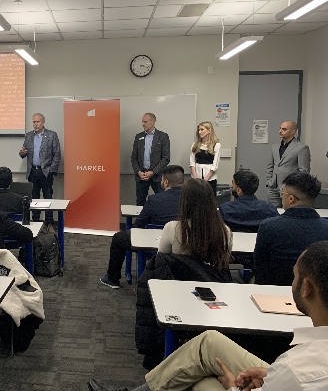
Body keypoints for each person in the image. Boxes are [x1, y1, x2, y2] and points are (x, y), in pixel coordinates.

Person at [88, 240, 328, 391]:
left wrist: (233, 387)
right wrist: (270, 376)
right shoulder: (295, 366)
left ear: (307, 288)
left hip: (290, 379)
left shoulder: (294, 368)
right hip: (285, 378)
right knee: (209, 342)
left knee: (201, 381)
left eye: (294, 275)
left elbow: (293, 378)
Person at [136, 178, 233, 369]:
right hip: (211, 296)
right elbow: (224, 264)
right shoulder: (225, 232)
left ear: (185, 201)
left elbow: (159, 262)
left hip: (176, 297)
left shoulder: (173, 229)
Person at [100, 165, 184, 289]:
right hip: (183, 246)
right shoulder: (193, 199)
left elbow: (138, 226)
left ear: (166, 182)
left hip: (154, 247)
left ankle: (113, 279)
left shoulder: (154, 200)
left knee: (119, 238)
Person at [254, 172, 328, 286]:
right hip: (314, 295)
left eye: (282, 193)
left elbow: (260, 266)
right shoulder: (325, 227)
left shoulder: (269, 226)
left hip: (273, 292)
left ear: (291, 198)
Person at [19, 113, 61, 223]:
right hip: (33, 171)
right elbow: (23, 153)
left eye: (37, 122)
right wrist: (22, 153)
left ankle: (49, 222)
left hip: (46, 172)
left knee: (48, 197)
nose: (35, 124)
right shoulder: (29, 136)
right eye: (34, 122)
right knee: (34, 198)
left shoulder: (52, 135)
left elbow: (57, 155)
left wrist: (52, 171)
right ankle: (36, 220)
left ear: (43, 122)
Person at [266, 120, 310, 207]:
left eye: (284, 129)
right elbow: (270, 166)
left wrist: (295, 187)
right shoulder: (274, 147)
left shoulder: (301, 148)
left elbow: (304, 171)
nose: (280, 131)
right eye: (280, 128)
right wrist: (269, 181)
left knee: (289, 213)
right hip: (273, 187)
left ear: (292, 131)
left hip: (289, 189)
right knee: (273, 212)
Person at [131, 113, 171, 206]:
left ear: (153, 122)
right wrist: (138, 172)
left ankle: (160, 221)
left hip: (157, 176)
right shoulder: (138, 137)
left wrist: (153, 172)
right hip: (142, 176)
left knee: (162, 202)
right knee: (140, 202)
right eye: (142, 122)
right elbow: (134, 157)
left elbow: (166, 158)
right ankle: (142, 220)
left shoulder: (163, 136)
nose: (143, 124)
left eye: (145, 122)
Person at [190, 121, 221, 195]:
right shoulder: (195, 145)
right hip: (196, 179)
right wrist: (195, 178)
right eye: (198, 130)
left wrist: (205, 180)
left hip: (210, 179)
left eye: (202, 129)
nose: (199, 132)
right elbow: (192, 163)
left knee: (209, 200)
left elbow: (215, 166)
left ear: (209, 131)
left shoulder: (216, 145)